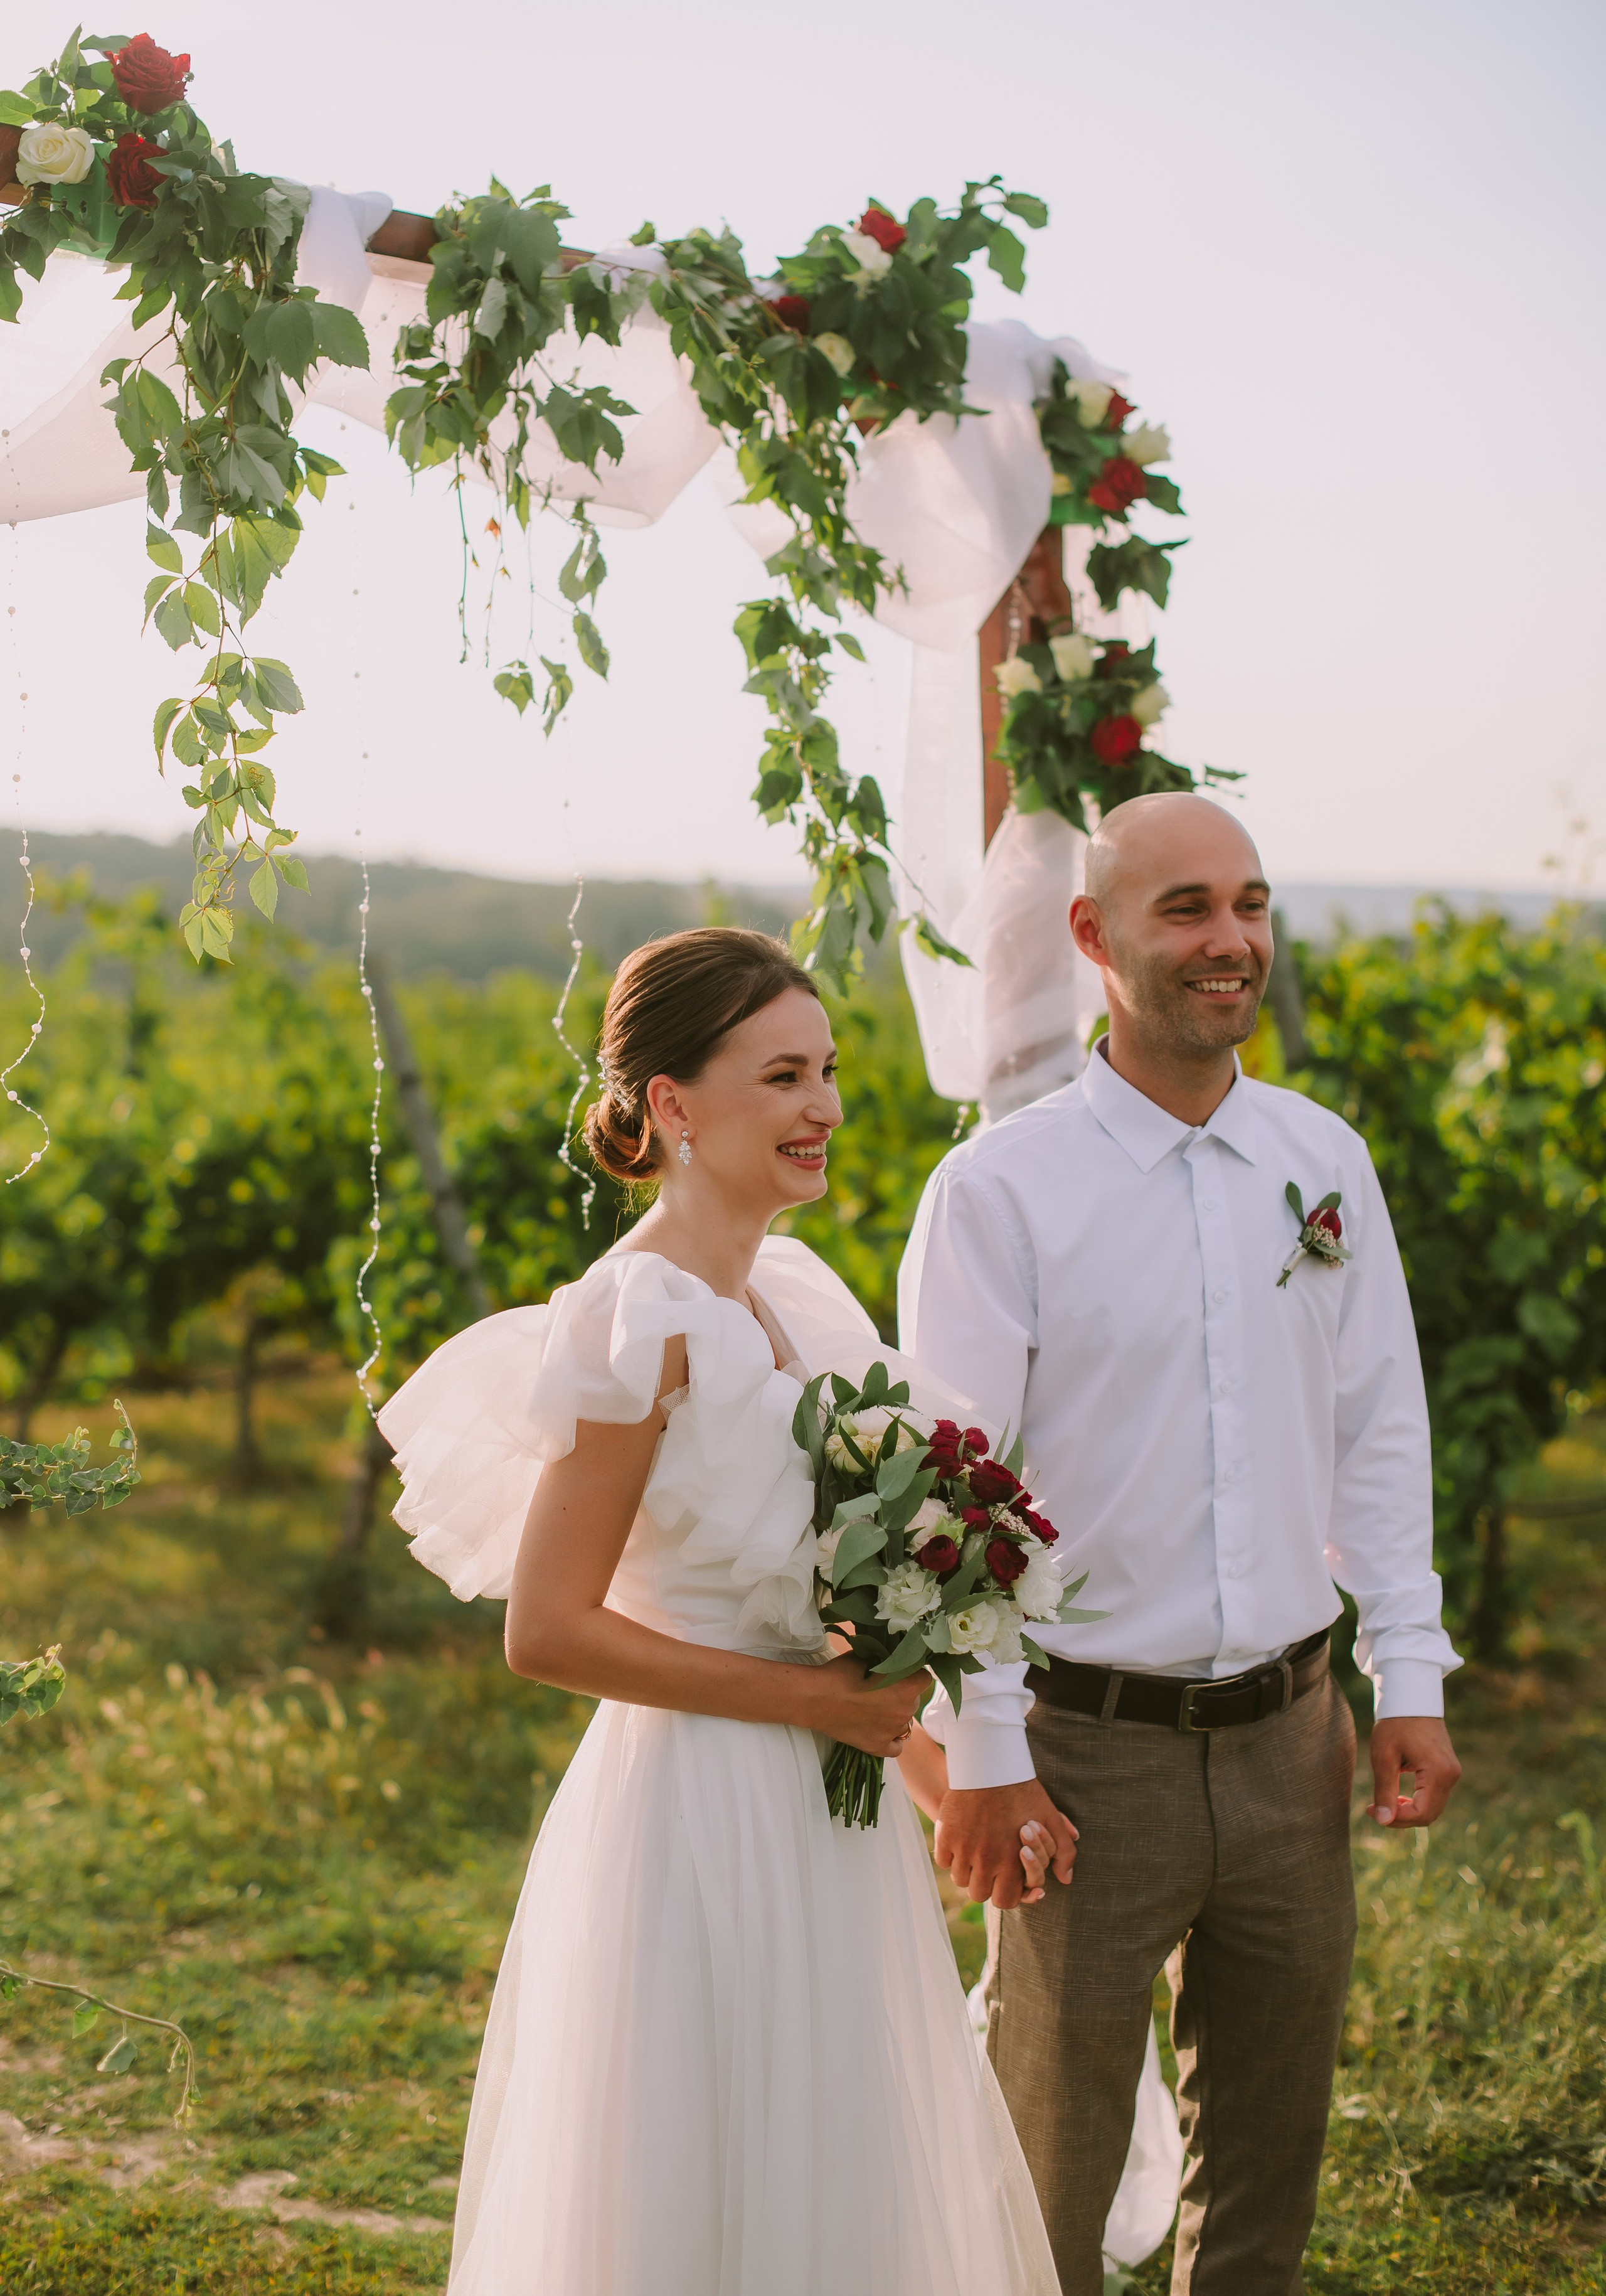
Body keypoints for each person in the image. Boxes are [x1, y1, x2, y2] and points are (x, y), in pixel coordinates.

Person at [377, 929, 1063, 2296]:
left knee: (836, 2174)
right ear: (674, 1105)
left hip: (830, 1824)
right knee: (699, 2180)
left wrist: (944, 1786)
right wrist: (820, 1705)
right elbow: (549, 1629)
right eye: (781, 1076)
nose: (823, 1108)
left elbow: (817, 1618)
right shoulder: (639, 1319)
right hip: (691, 1817)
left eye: (825, 1071)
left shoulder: (799, 1298)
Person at [899, 793, 1464, 2296]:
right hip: (1080, 1753)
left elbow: (1378, 1433)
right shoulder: (999, 1193)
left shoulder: (1320, 1159)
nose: (1231, 943)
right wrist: (990, 1749)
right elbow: (958, 1501)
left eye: (1249, 905)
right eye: (1186, 911)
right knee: (1051, 2176)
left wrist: (1402, 1673)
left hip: (1293, 1736)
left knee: (1265, 2167)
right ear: (1092, 937)